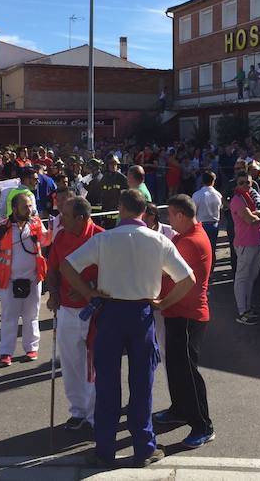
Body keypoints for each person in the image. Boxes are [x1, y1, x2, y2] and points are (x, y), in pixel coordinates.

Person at [61, 189, 196, 468]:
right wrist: (162, 302)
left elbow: (67, 266)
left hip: (110, 313)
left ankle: (104, 449)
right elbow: (188, 279)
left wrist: (89, 294)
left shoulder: (104, 239)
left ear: (121, 208)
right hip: (142, 313)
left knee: (107, 383)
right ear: (144, 211)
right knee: (142, 383)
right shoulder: (159, 241)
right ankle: (144, 447)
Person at [153, 195, 215, 448]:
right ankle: (179, 410)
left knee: (188, 373)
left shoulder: (192, 241)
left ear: (180, 214)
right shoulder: (183, 236)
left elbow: (180, 280)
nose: (168, 220)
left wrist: (164, 303)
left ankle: (203, 426)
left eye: (170, 215)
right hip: (177, 314)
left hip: (188, 316)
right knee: (176, 368)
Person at [46, 196, 104, 431]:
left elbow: (111, 273)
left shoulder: (101, 237)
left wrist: (88, 289)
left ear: (81, 218)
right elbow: (53, 270)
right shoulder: (60, 236)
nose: (61, 219)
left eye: (65, 216)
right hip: (67, 311)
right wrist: (53, 294)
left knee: (94, 365)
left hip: (95, 311)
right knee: (71, 363)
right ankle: (78, 410)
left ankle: (94, 414)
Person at [0, 192, 50, 367]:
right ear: (14, 209)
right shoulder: (1, 227)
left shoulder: (36, 224)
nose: (29, 210)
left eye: (30, 206)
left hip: (33, 279)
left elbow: (46, 241)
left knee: (32, 316)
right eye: (25, 207)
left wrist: (53, 227)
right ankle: (6, 353)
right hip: (8, 281)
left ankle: (31, 349)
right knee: (9, 317)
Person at [230, 170, 260, 325]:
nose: (244, 185)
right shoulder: (237, 199)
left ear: (252, 183)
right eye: (241, 183)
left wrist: (258, 213)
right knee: (242, 278)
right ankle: (242, 311)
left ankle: (247, 308)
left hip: (256, 242)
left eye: (247, 182)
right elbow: (250, 220)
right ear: (237, 184)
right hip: (244, 243)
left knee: (251, 277)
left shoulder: (255, 196)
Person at [192, 170, 222, 254]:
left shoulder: (197, 195)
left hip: (201, 224)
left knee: (201, 250)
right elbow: (220, 208)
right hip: (214, 224)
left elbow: (193, 211)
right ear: (213, 181)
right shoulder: (218, 195)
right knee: (212, 250)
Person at [99, 154, 128, 224]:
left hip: (118, 213)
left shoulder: (122, 179)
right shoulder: (103, 178)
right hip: (106, 213)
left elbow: (126, 197)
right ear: (107, 165)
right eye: (111, 163)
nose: (114, 166)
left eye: (115, 163)